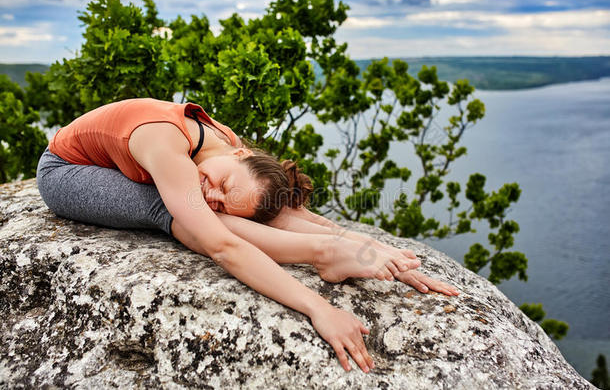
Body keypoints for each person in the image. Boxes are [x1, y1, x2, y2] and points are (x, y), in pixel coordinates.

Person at [36, 97, 459, 374]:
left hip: (111, 164)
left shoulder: (229, 152)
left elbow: (285, 211)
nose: (212, 192)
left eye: (221, 198)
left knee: (223, 209)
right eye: (220, 185)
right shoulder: (174, 153)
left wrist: (371, 250)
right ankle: (324, 255)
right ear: (241, 156)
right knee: (177, 212)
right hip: (65, 174)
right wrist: (317, 307)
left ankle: (334, 251)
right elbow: (221, 245)